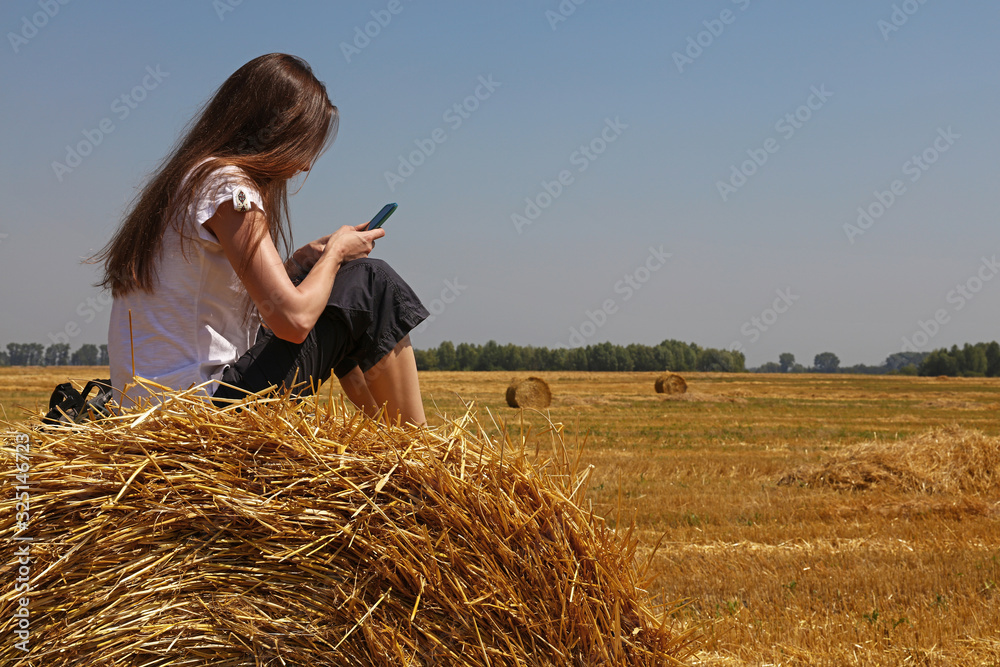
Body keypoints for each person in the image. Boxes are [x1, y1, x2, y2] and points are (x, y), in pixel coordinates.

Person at [93, 54, 428, 425]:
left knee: (342, 300)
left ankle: (390, 444)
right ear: (276, 131)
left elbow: (219, 300)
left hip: (156, 409)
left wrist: (299, 264)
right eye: (303, 146)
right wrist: (334, 255)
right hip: (202, 409)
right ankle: (417, 455)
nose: (304, 165)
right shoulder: (226, 185)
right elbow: (292, 321)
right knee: (371, 284)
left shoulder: (187, 181)